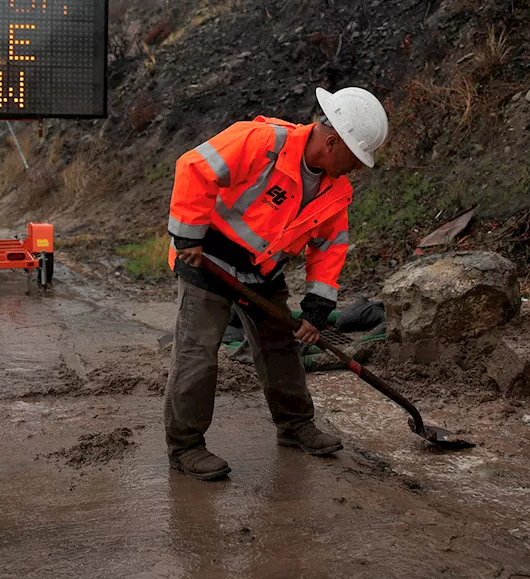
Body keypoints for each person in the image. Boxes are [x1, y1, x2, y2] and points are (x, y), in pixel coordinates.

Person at [164, 86, 389, 480]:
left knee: (281, 349)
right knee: (198, 354)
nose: (356, 169)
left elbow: (330, 247)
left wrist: (318, 307)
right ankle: (186, 447)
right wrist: (188, 237)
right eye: (355, 159)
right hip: (208, 261)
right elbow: (194, 167)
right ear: (332, 141)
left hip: (262, 273)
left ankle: (296, 426)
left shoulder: (337, 191)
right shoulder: (262, 141)